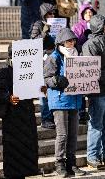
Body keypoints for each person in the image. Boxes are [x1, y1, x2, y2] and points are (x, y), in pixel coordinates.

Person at [44, 28, 86, 177]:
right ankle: (59, 164)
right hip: (60, 100)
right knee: (62, 135)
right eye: (69, 40)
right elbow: (46, 78)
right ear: (61, 42)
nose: (72, 42)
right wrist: (56, 80)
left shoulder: (77, 55)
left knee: (73, 135)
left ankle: (71, 164)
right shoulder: (54, 57)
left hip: (74, 99)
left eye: (73, 40)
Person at [0, 49, 39, 179]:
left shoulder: (31, 71)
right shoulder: (5, 72)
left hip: (27, 117)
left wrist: (42, 89)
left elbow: (36, 89)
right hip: (12, 119)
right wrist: (8, 98)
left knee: (27, 152)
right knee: (13, 153)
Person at [81, 14, 105, 169]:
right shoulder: (90, 44)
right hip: (97, 92)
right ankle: (92, 156)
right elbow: (92, 71)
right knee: (96, 124)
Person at [31, 2, 56, 129]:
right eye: (49, 13)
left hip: (54, 61)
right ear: (43, 14)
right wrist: (45, 32)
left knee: (52, 89)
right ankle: (46, 118)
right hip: (42, 62)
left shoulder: (57, 24)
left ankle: (52, 117)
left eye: (53, 13)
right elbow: (33, 42)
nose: (52, 15)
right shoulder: (38, 24)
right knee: (43, 91)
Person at [72, 3, 96, 124]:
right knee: (81, 88)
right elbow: (74, 41)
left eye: (91, 12)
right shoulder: (77, 27)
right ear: (82, 14)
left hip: (94, 60)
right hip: (82, 59)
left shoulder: (97, 25)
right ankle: (81, 112)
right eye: (87, 12)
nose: (89, 14)